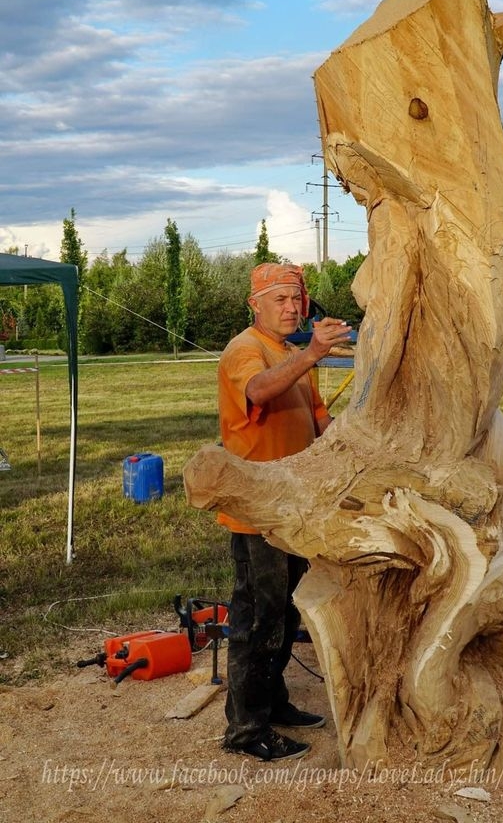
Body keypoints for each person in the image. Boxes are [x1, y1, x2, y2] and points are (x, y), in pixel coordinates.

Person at [217, 262, 352, 762]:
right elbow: (259, 391)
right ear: (256, 305)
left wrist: (353, 436)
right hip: (257, 512)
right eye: (280, 299)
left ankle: (273, 703)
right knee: (258, 618)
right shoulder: (244, 351)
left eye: (297, 299)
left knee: (285, 613)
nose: (292, 307)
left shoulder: (293, 353)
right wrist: (315, 352)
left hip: (293, 508)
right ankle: (246, 729)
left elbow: (317, 414)